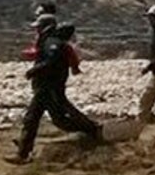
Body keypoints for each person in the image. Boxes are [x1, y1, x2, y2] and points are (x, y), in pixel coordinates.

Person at [15, 9, 102, 162]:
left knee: (37, 118)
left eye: (38, 27)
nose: (36, 30)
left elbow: (51, 61)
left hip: (48, 87)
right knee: (55, 118)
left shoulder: (52, 43)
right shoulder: (51, 41)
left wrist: (34, 70)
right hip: (48, 87)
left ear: (45, 27)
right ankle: (92, 130)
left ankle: (23, 153)